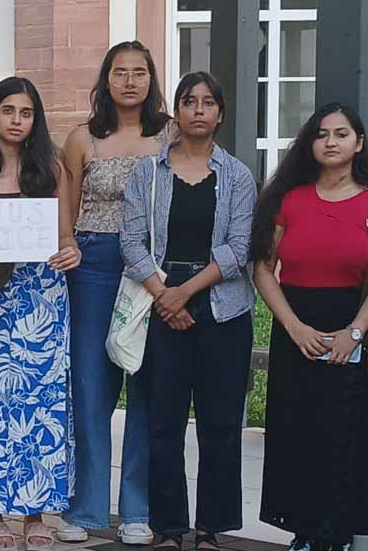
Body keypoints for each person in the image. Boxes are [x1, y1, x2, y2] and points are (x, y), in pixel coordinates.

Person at [120, 72, 256, 551]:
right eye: (188, 101)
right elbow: (131, 241)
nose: (198, 109)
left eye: (207, 102)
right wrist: (164, 295)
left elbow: (240, 248)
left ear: (220, 113)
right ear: (176, 111)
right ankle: (170, 527)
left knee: (220, 423)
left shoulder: (238, 175)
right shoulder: (148, 173)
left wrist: (186, 292)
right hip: (161, 302)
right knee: (163, 423)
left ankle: (211, 529)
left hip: (222, 308)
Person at [0, 76, 81, 551]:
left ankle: (36, 514)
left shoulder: (52, 168)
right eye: (8, 111)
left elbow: (67, 238)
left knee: (41, 408)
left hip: (42, 300)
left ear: (35, 119)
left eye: (26, 113)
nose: (17, 121)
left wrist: (71, 253)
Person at [58, 41, 172, 546]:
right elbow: (66, 209)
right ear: (106, 80)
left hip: (154, 269)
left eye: (139, 72)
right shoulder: (83, 138)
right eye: (120, 72)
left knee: (147, 386)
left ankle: (136, 510)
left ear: (151, 79)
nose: (130, 81)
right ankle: (84, 509)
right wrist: (67, 248)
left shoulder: (169, 135)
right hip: (94, 265)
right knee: (91, 386)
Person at [252, 103, 368, 551]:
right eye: (322, 134)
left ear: (359, 142)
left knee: (345, 434)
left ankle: (338, 534)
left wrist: (355, 332)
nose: (331, 141)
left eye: (342, 133)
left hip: (352, 327)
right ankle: (305, 532)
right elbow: (264, 269)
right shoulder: (289, 198)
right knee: (298, 431)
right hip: (295, 326)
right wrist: (294, 327)